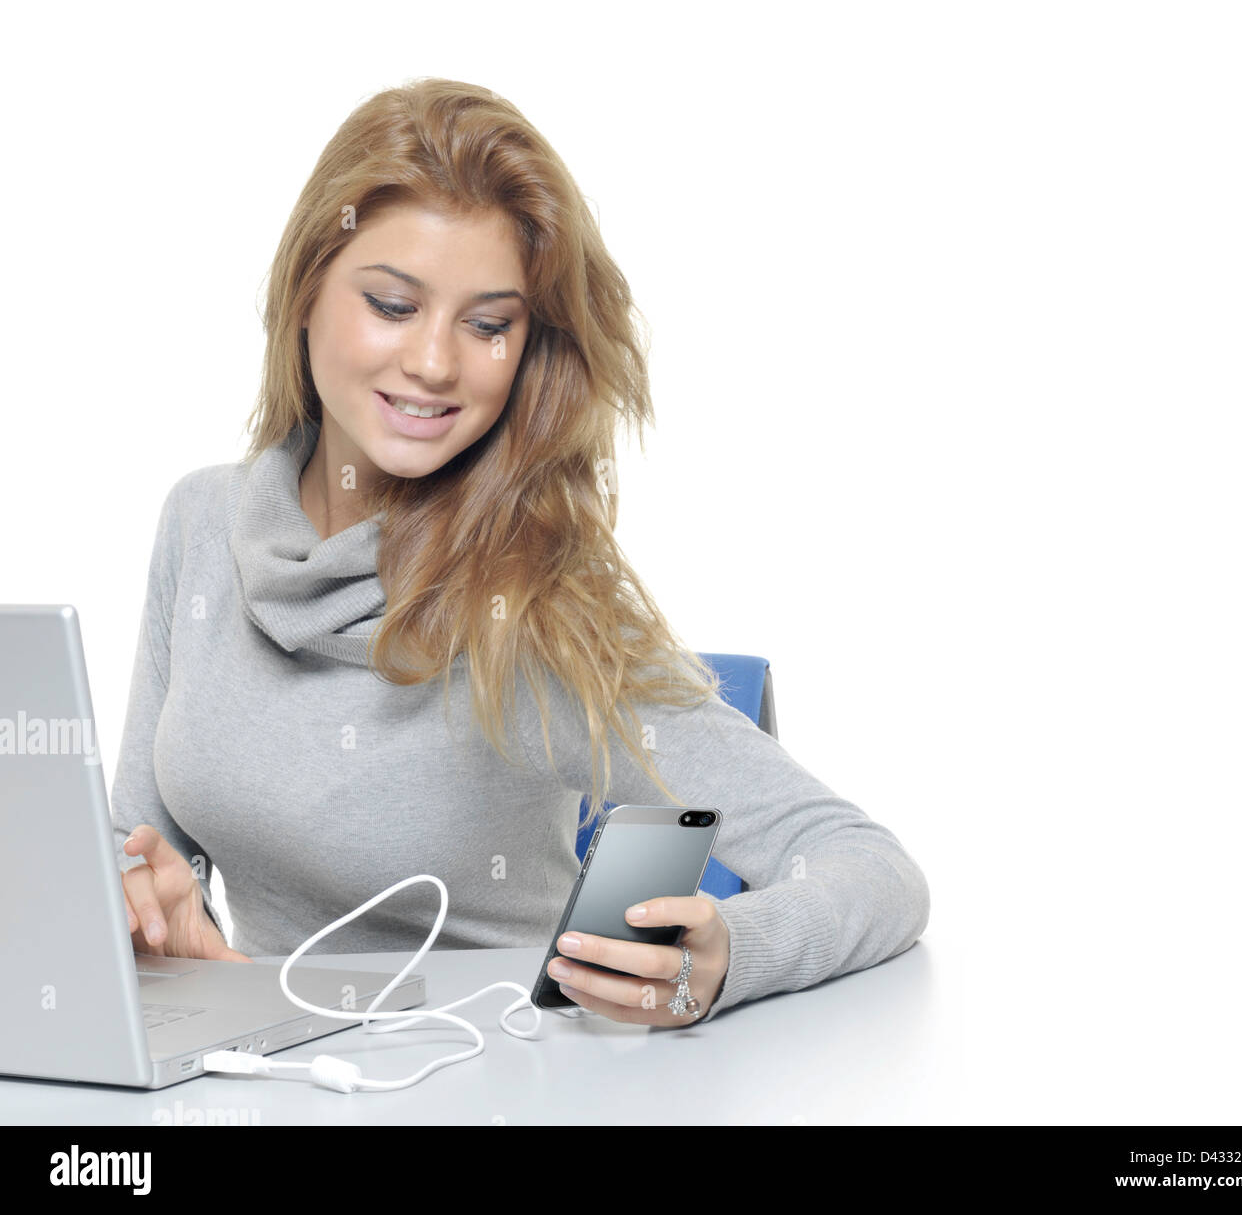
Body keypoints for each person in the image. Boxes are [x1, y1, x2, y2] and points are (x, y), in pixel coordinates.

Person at [111, 77, 930, 1027]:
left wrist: (731, 956)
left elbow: (872, 869)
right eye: (391, 304)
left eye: (489, 324)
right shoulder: (202, 525)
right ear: (305, 294)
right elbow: (135, 857)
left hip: (494, 1076)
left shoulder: (542, 594)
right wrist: (155, 926)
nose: (433, 363)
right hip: (267, 1071)